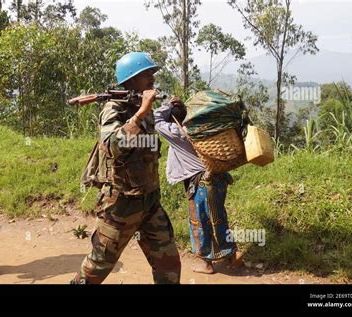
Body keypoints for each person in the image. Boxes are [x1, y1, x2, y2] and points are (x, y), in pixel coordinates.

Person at [71, 52, 181, 284]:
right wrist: (140, 114)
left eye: (152, 73)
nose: (152, 77)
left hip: (150, 201)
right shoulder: (115, 109)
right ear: (130, 80)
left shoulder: (144, 104)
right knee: (99, 264)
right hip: (121, 204)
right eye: (146, 74)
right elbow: (113, 146)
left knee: (168, 263)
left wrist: (175, 110)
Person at [154, 97, 243, 274]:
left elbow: (156, 119)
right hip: (218, 178)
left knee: (199, 222)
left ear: (174, 120)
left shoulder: (177, 132)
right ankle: (232, 255)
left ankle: (206, 263)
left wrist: (168, 106)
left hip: (201, 183)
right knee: (218, 218)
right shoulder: (202, 131)